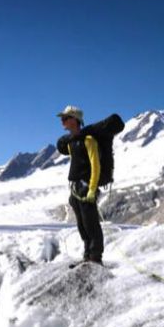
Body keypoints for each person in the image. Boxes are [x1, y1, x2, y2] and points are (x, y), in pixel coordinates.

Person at [57, 105, 103, 265]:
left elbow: (95, 166)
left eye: (65, 118)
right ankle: (87, 254)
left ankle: (96, 257)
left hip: (86, 187)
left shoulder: (88, 140)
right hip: (75, 188)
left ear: (75, 120)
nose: (62, 121)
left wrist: (92, 189)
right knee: (82, 225)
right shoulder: (71, 143)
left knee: (91, 223)